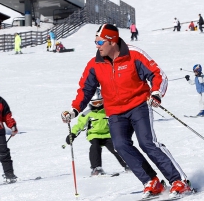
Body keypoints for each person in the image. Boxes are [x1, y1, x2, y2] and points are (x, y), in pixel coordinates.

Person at [60, 24, 193, 199]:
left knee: (147, 143)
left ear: (112, 41)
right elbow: (86, 90)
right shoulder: (95, 64)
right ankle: (151, 181)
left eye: (100, 41)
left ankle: (179, 181)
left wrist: (156, 93)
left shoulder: (134, 55)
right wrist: (74, 110)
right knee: (121, 145)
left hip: (139, 105)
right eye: (95, 42)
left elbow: (157, 74)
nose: (97, 45)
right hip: (115, 111)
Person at [66, 88, 130, 176]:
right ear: (91, 103)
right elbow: (79, 125)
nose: (98, 104)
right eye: (95, 103)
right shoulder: (87, 113)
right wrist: (72, 134)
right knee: (95, 147)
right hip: (94, 135)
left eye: (100, 102)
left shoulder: (108, 111)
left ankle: (128, 164)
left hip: (108, 135)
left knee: (117, 147)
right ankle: (96, 168)